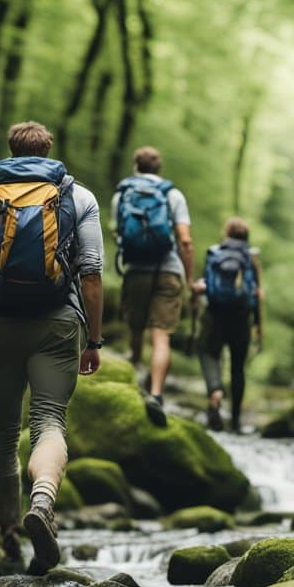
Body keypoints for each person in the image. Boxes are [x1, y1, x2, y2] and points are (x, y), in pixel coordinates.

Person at [0, 120, 104, 575]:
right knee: (48, 421)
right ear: (49, 149)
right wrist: (94, 340)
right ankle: (42, 498)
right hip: (58, 323)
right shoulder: (77, 198)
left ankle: (8, 536)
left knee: (2, 433)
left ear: (11, 150)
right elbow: (93, 273)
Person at [111, 145, 194, 425]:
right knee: (161, 336)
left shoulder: (122, 193)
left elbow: (119, 232)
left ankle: (133, 375)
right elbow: (185, 241)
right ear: (160, 168)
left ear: (136, 166)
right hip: (167, 269)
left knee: (135, 328)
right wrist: (189, 276)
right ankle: (156, 394)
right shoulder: (172, 194)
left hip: (135, 270)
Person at [192, 217, 263, 433]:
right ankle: (236, 420)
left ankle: (215, 392)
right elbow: (257, 294)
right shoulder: (250, 258)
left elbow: (206, 283)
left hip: (214, 315)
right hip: (241, 318)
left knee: (208, 352)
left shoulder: (214, 254)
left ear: (226, 233)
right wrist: (258, 324)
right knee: (238, 367)